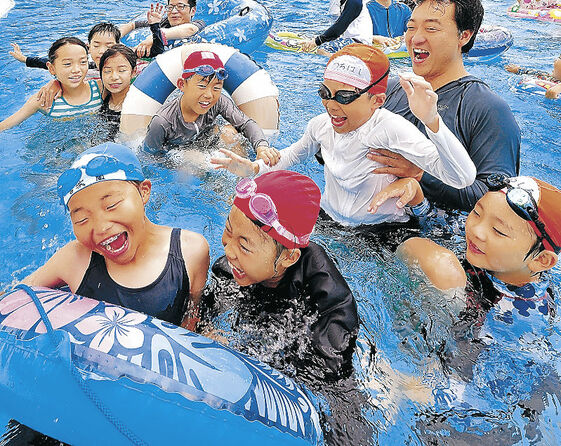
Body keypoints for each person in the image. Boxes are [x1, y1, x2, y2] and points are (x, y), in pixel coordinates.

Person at [212, 43, 476, 228]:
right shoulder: (321, 125)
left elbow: (461, 178)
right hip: (329, 217)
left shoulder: (390, 129)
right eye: (325, 93)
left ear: (377, 100)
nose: (331, 105)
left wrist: (432, 121)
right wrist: (254, 168)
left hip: (382, 229)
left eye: (345, 97)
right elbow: (292, 155)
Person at [23, 142, 209, 328]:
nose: (101, 227)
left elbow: (192, 316)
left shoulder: (190, 251)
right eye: (82, 219)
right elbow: (15, 297)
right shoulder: (73, 259)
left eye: (111, 205)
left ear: (143, 192)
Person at [370, 0, 521, 212]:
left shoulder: (488, 109)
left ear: (464, 35)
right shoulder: (388, 91)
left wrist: (420, 174)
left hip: (430, 233)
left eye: (431, 29)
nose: (415, 38)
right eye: (411, 27)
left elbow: (496, 199)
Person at [201, 170, 359, 378]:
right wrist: (207, 329)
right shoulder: (232, 268)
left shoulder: (330, 301)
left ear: (288, 257)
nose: (229, 251)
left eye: (244, 246)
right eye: (229, 231)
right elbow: (207, 309)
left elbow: (327, 375)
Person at [393, 175, 561, 324]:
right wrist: (416, 199)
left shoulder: (523, 315)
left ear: (541, 260)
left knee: (442, 267)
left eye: (498, 231)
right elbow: (436, 223)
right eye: (477, 213)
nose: (477, 230)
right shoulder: (488, 252)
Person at [144, 51, 279, 165]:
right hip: (181, 153)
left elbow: (246, 123)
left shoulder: (219, 101)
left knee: (230, 132)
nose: (209, 95)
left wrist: (262, 147)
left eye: (216, 88)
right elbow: (150, 158)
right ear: (182, 84)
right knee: (193, 158)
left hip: (208, 142)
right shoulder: (163, 122)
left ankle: (243, 177)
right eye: (202, 86)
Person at [0, 37, 102, 131]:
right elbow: (5, 125)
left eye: (83, 62)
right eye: (67, 64)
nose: (76, 70)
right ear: (51, 68)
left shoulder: (100, 89)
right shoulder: (43, 100)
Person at [11, 21, 122, 77]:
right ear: (88, 48)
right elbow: (46, 63)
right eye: (96, 46)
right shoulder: (86, 68)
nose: (102, 51)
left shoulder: (125, 66)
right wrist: (24, 59)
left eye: (109, 46)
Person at [119, 0, 206, 58]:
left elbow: (190, 29)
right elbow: (132, 25)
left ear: (193, 11)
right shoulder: (162, 22)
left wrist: (155, 36)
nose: (174, 11)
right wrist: (116, 36)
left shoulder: (199, 23)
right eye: (170, 7)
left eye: (180, 6)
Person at [99, 44, 137, 123]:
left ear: (133, 72)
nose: (114, 77)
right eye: (107, 71)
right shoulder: (100, 99)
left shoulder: (139, 105)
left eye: (121, 70)